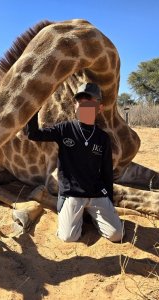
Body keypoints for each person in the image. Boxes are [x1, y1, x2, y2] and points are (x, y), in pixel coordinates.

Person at [26, 82, 124, 243]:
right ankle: (67, 209)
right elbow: (34, 135)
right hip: (72, 194)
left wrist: (109, 200)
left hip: (97, 194)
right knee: (68, 237)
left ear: (99, 107)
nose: (84, 107)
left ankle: (95, 216)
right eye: (80, 102)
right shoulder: (64, 129)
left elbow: (106, 171)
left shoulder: (103, 138)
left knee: (116, 236)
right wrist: (34, 109)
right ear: (75, 105)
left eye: (90, 103)